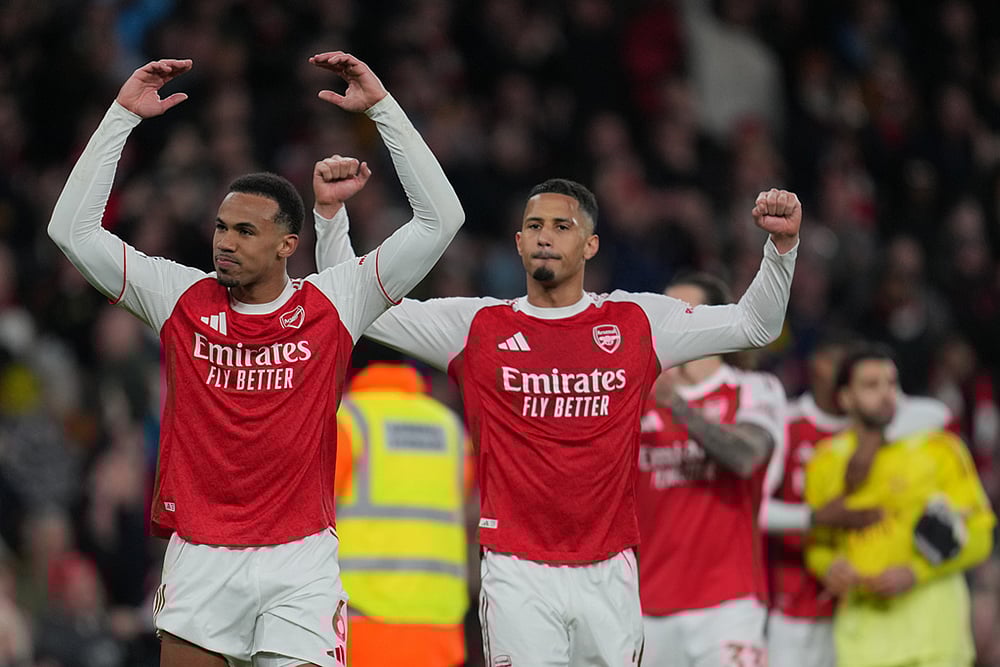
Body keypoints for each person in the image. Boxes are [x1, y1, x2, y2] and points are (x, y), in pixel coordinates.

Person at [47, 51, 465, 667]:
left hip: (301, 564)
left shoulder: (336, 302)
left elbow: (441, 220)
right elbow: (72, 232)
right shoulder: (177, 297)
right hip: (201, 556)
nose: (225, 242)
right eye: (221, 228)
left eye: (245, 232)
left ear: (287, 245)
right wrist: (119, 119)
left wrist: (381, 108)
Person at [314, 174, 802, 665]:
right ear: (519, 242)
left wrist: (781, 248)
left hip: (610, 571)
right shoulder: (475, 327)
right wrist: (331, 219)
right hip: (515, 570)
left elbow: (755, 325)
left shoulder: (638, 322)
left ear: (590, 244)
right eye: (534, 225)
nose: (546, 235)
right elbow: (354, 302)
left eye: (562, 226)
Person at [762, 333, 957, 667]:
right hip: (795, 598)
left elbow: (938, 412)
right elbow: (756, 511)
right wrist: (816, 518)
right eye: (833, 358)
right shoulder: (788, 422)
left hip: (860, 602)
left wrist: (877, 437)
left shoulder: (882, 420)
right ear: (817, 366)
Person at [804, 343, 995, 667]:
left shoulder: (939, 448)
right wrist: (831, 567)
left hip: (935, 636)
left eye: (892, 383)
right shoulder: (825, 461)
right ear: (845, 398)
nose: (886, 394)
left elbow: (980, 537)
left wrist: (916, 572)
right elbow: (817, 546)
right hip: (862, 642)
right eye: (871, 385)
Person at [635, 272, 786, 667]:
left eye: (685, 312)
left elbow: (746, 458)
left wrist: (679, 408)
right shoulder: (634, 401)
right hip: (645, 608)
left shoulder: (752, 388)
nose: (671, 323)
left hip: (728, 606)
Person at [333, 361, 473, 667]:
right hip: (440, 623)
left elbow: (310, 514)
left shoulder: (347, 420)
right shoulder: (449, 427)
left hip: (362, 620)